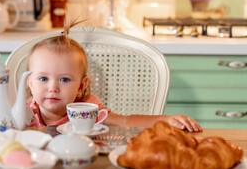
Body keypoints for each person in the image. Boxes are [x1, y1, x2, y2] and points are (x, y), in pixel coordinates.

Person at [25, 19, 202, 132]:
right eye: (43, 79)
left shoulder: (88, 113)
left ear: (81, 86)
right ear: (30, 83)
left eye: (64, 79)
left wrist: (166, 120)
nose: (53, 88)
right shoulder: (23, 114)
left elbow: (126, 122)